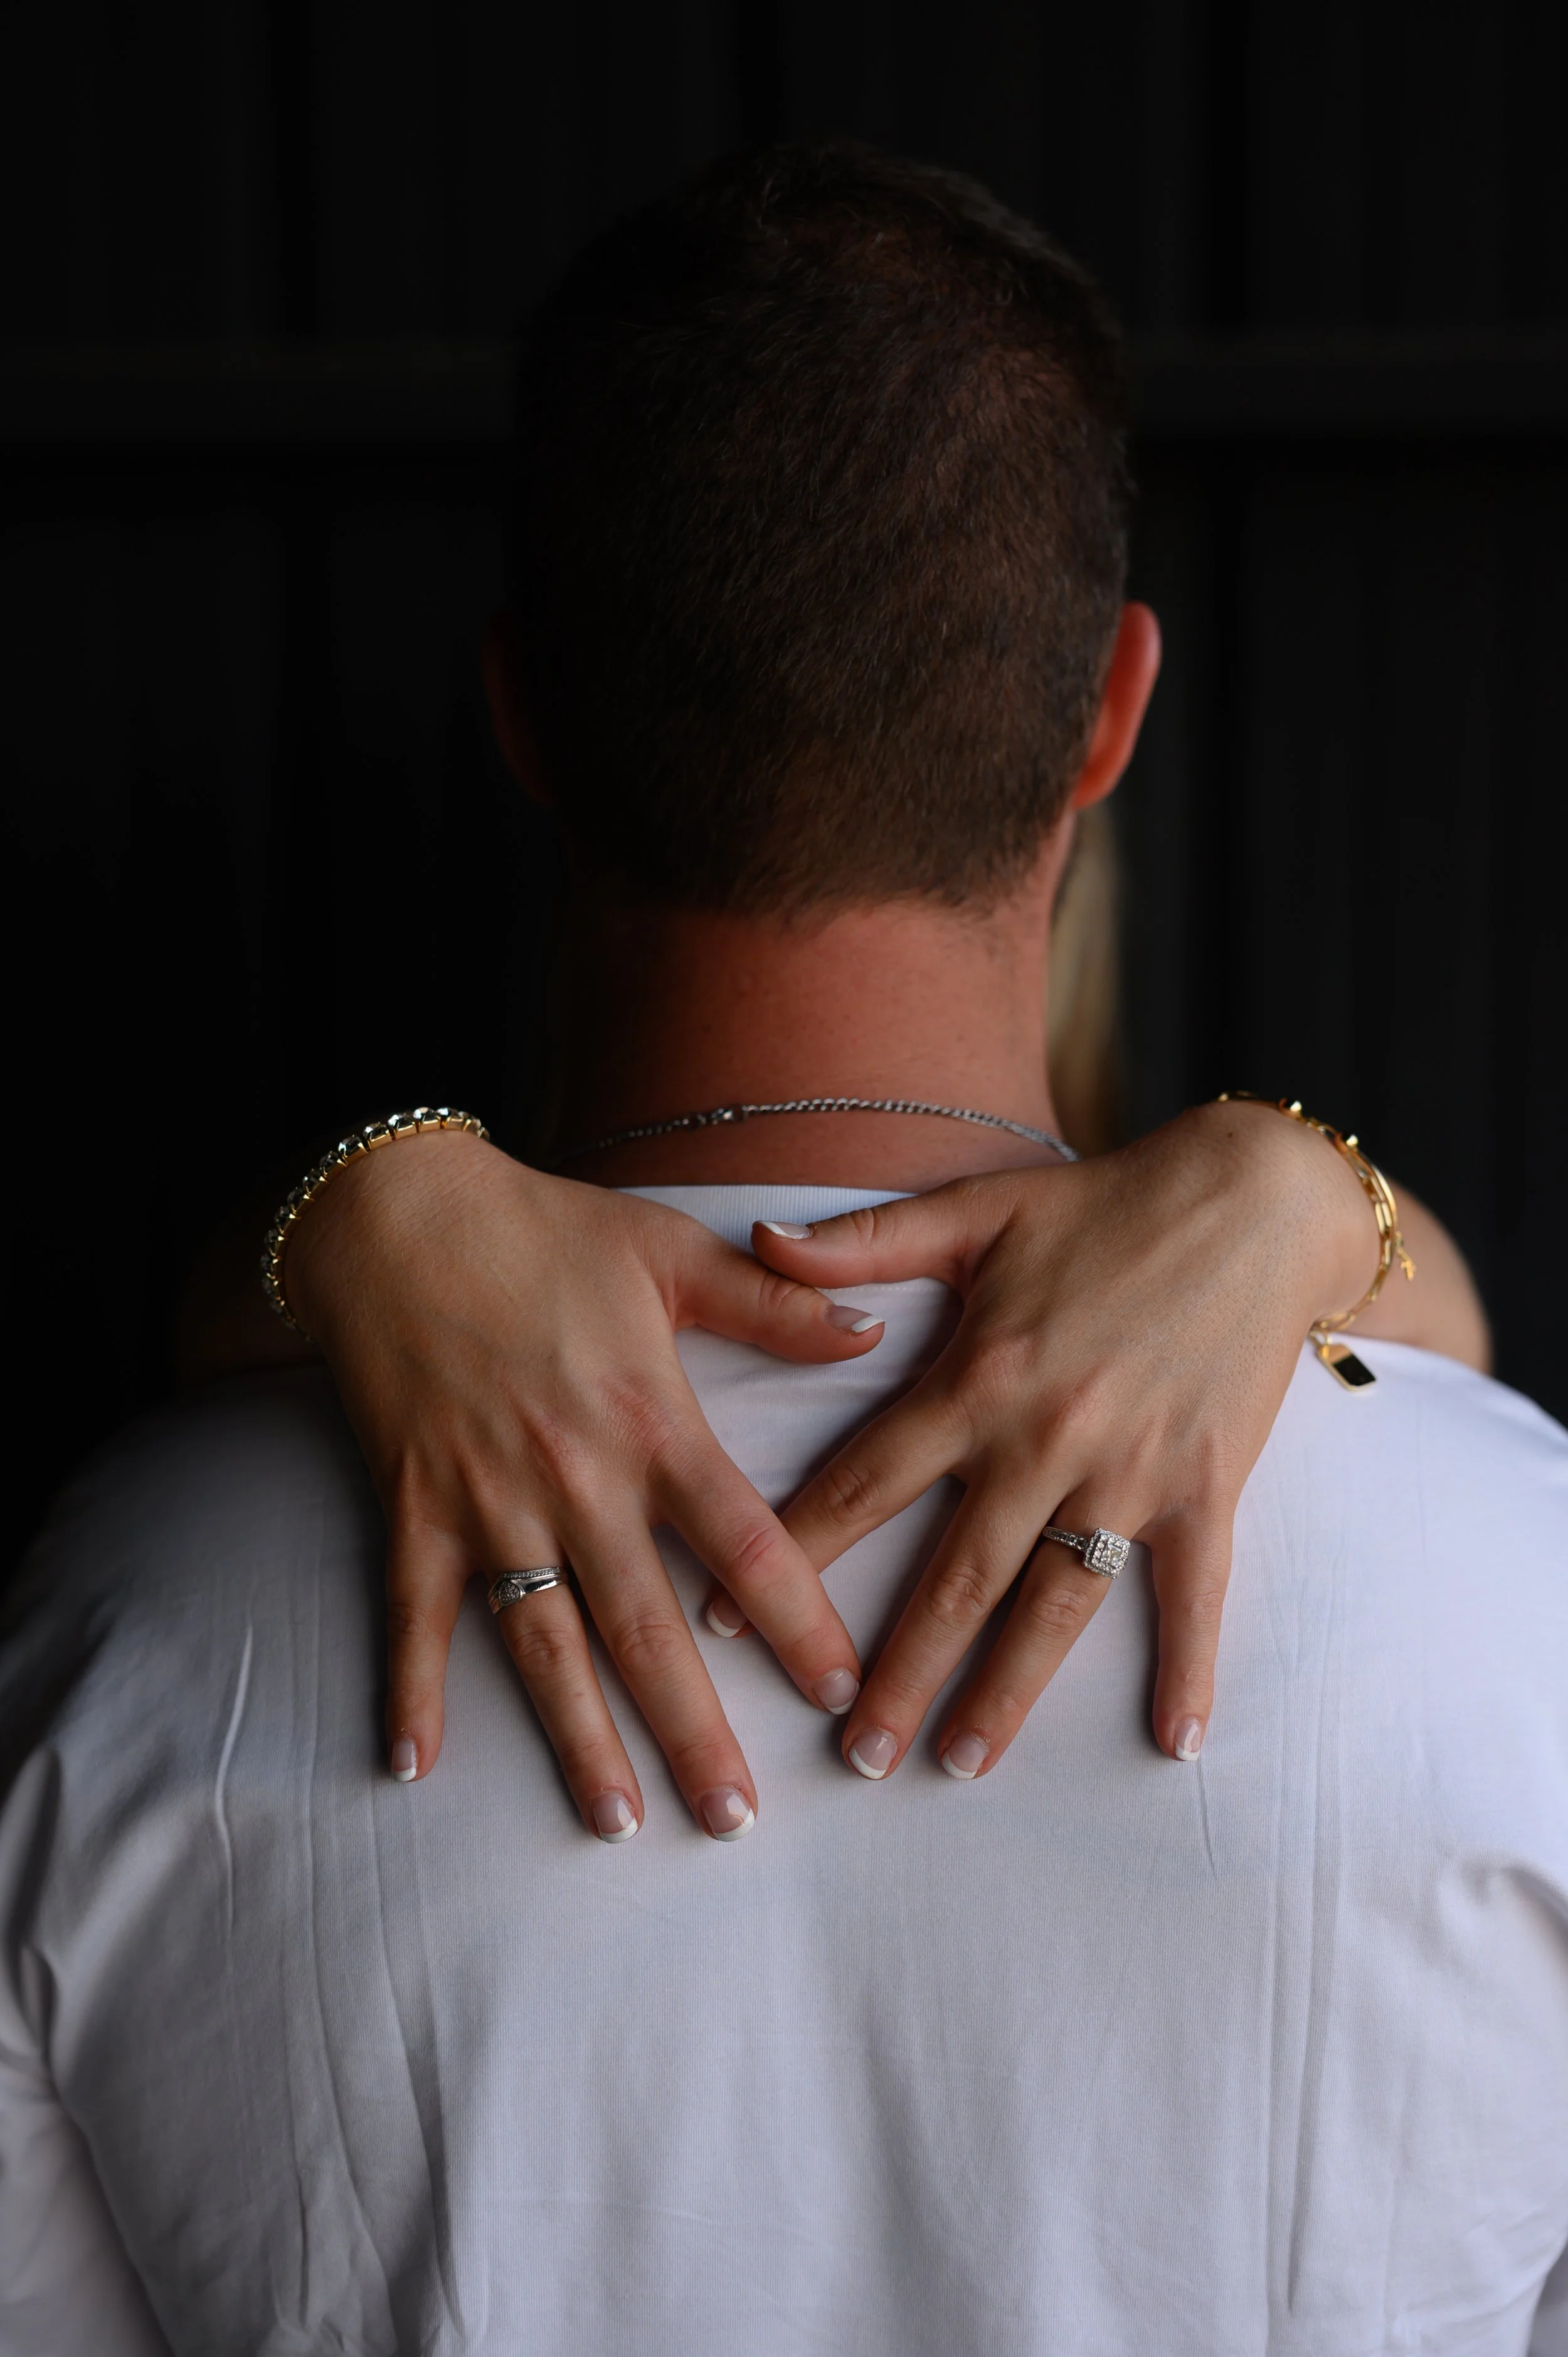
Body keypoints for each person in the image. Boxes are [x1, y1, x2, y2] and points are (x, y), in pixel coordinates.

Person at [3, 141, 1563, 2355]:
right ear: (1109, 709)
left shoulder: (117, 1627)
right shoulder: (1522, 1603)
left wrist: (349, 1204)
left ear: (519, 709)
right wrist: (1310, 1188)